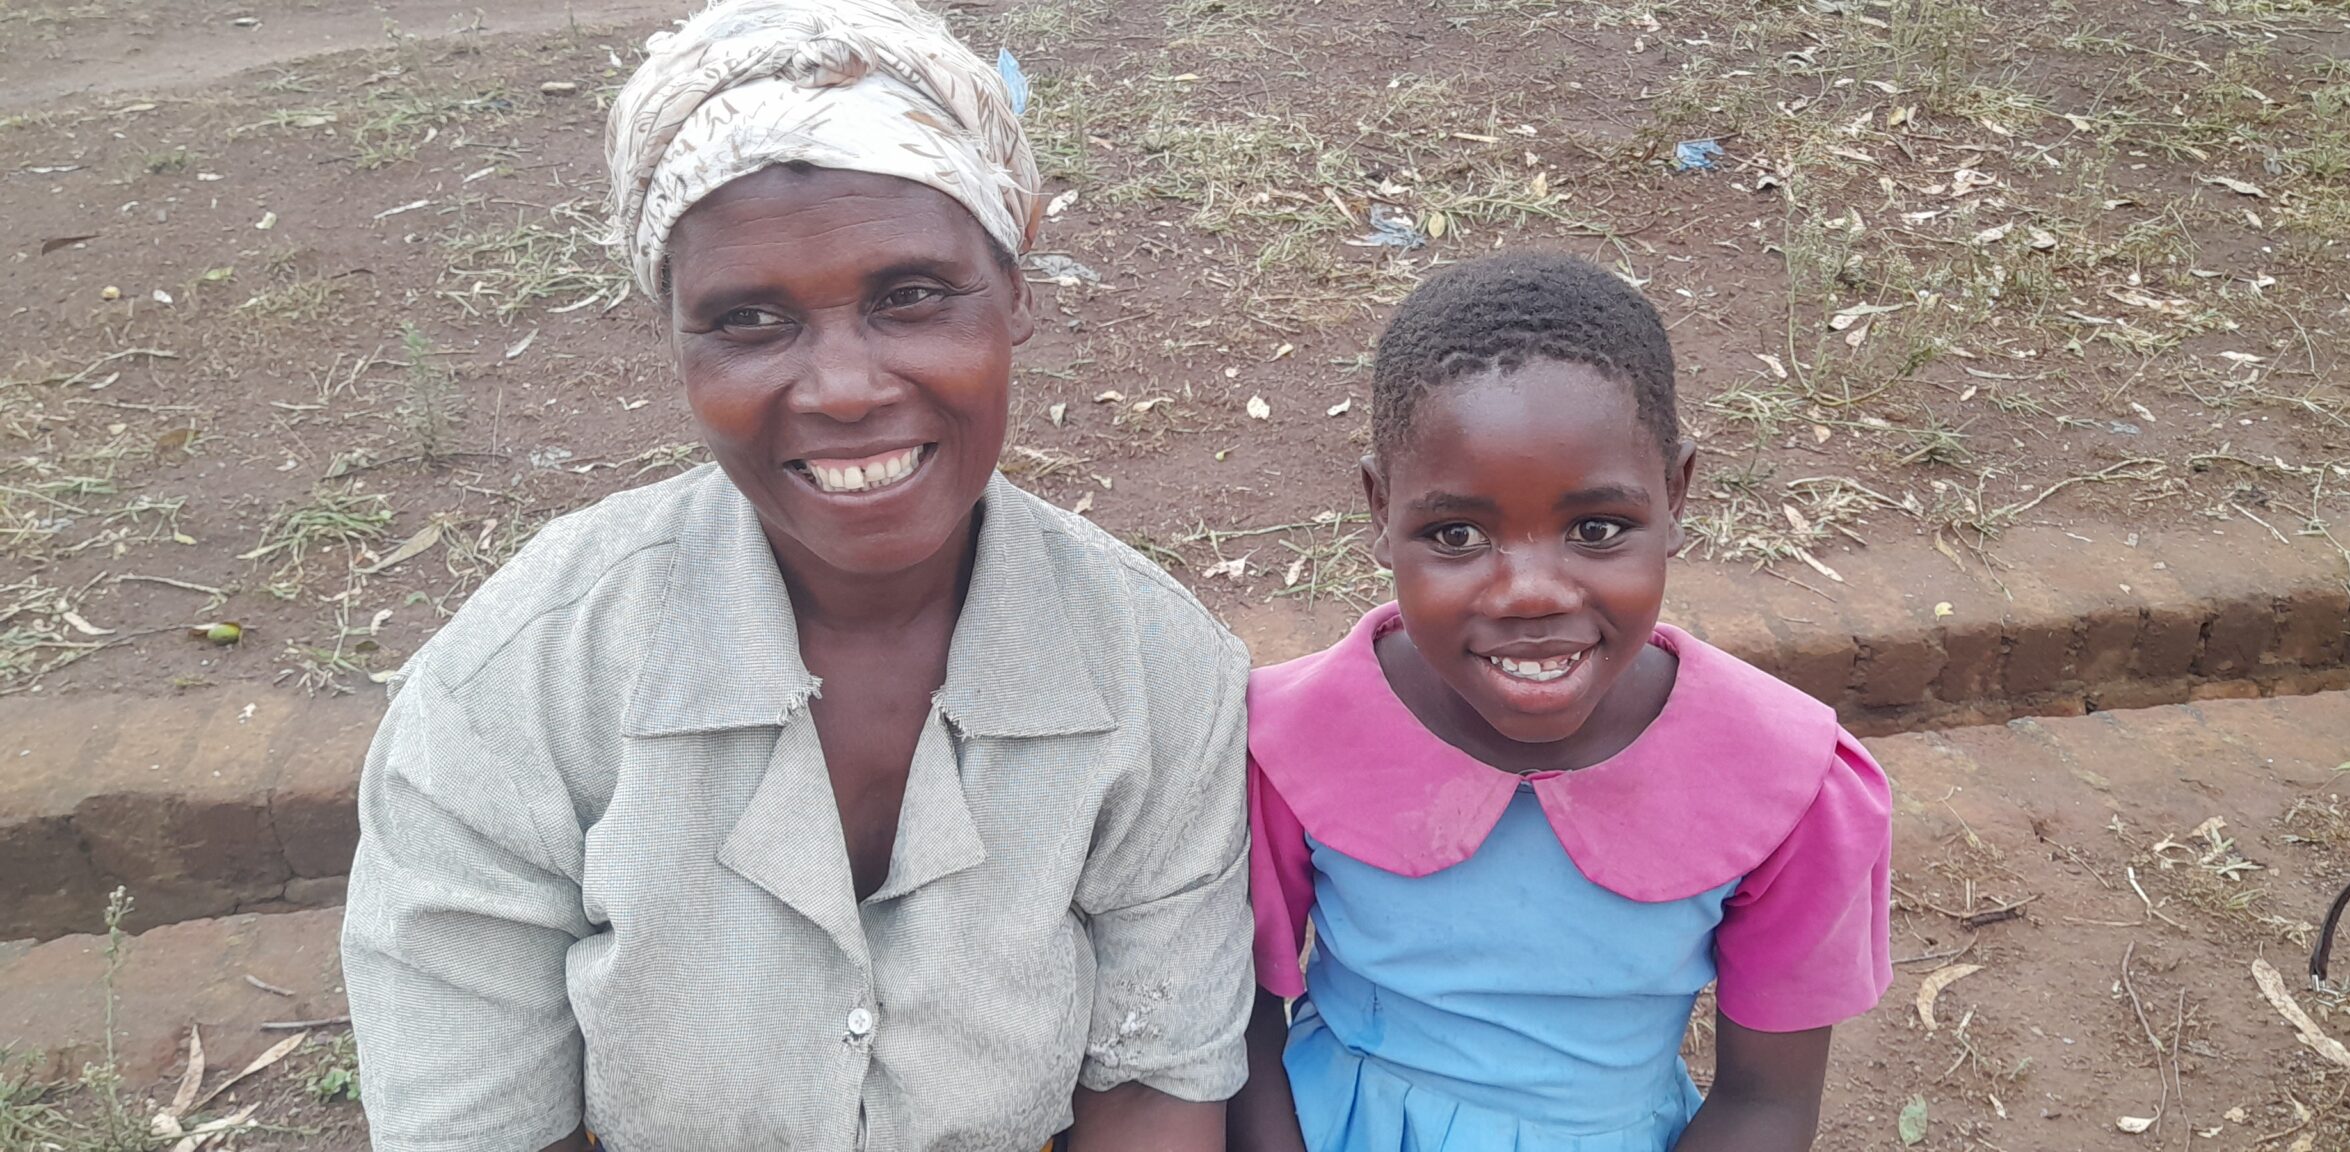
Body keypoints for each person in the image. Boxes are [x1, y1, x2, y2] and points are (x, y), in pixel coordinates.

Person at [338, 2, 1253, 1149]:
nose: (842, 388)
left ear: (1014, 295)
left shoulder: (1158, 668)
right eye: (749, 320)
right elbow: (471, 1119)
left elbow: (1154, 1082)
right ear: (674, 343)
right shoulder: (518, 686)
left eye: (911, 296)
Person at [1226, 252, 1894, 1152]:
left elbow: (1765, 1105)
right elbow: (1243, 1030)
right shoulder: (1291, 740)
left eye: (1597, 529)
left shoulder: (1790, 783)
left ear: (1679, 493)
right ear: (1381, 511)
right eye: (1456, 533)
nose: (1531, 592)